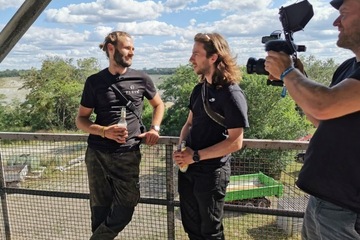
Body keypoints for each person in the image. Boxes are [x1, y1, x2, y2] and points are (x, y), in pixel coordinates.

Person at [264, 0, 360, 239]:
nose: (336, 22)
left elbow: (323, 104)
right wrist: (297, 80)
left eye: (344, 14)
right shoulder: (348, 67)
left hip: (350, 210)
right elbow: (321, 117)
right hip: (323, 202)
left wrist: (288, 72)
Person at [75, 31, 164, 240]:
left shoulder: (141, 78)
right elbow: (81, 119)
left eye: (133, 49)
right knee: (100, 208)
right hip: (97, 154)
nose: (131, 52)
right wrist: (105, 131)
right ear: (111, 48)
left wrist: (155, 129)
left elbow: (158, 104)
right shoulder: (94, 81)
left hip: (128, 154)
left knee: (126, 205)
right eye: (127, 48)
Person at [173, 32, 249, 240]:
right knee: (191, 226)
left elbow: (236, 141)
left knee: (210, 232)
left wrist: (195, 155)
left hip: (212, 174)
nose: (191, 59)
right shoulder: (199, 90)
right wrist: (181, 150)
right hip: (188, 170)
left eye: (196, 54)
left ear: (213, 57)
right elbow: (188, 123)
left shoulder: (232, 94)